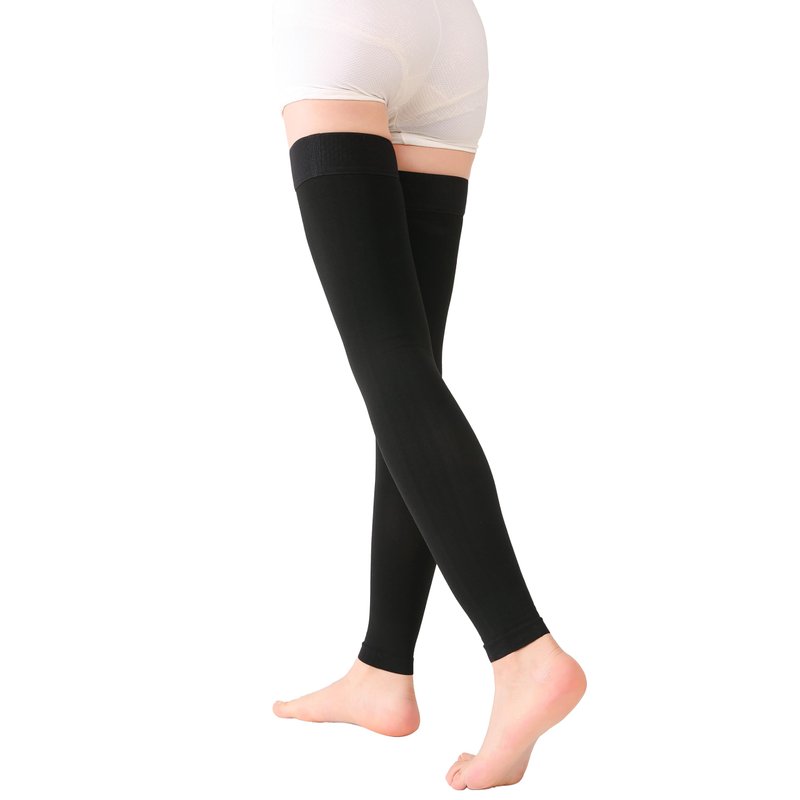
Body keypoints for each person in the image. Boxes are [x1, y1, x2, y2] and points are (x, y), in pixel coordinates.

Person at [270, 0, 587, 790]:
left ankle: (523, 651)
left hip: (341, 31)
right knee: (407, 373)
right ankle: (384, 667)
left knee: (392, 365)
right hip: (453, 36)